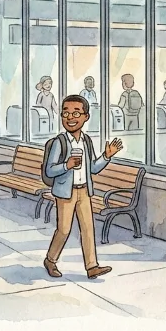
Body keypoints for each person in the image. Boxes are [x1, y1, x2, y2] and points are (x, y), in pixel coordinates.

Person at [43, 95, 123, 280]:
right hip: (65, 192)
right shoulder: (59, 142)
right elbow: (49, 169)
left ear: (86, 117)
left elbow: (93, 168)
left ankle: (92, 266)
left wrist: (106, 156)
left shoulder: (86, 141)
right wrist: (67, 165)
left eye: (76, 113)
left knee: (88, 228)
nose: (70, 117)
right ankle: (50, 260)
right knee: (63, 229)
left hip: (84, 190)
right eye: (66, 113)